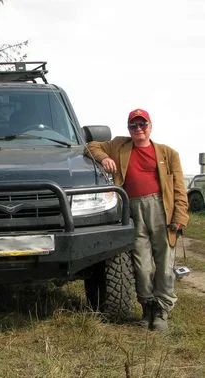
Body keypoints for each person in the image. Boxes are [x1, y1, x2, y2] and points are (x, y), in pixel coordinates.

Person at [86, 108, 189, 331]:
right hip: (132, 209)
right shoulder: (119, 146)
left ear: (150, 126)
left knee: (164, 265)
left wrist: (180, 215)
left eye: (143, 125)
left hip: (161, 209)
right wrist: (104, 158)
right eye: (134, 125)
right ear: (129, 128)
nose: (139, 129)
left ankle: (162, 311)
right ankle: (147, 307)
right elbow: (90, 146)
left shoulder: (168, 153)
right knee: (141, 265)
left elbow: (179, 188)